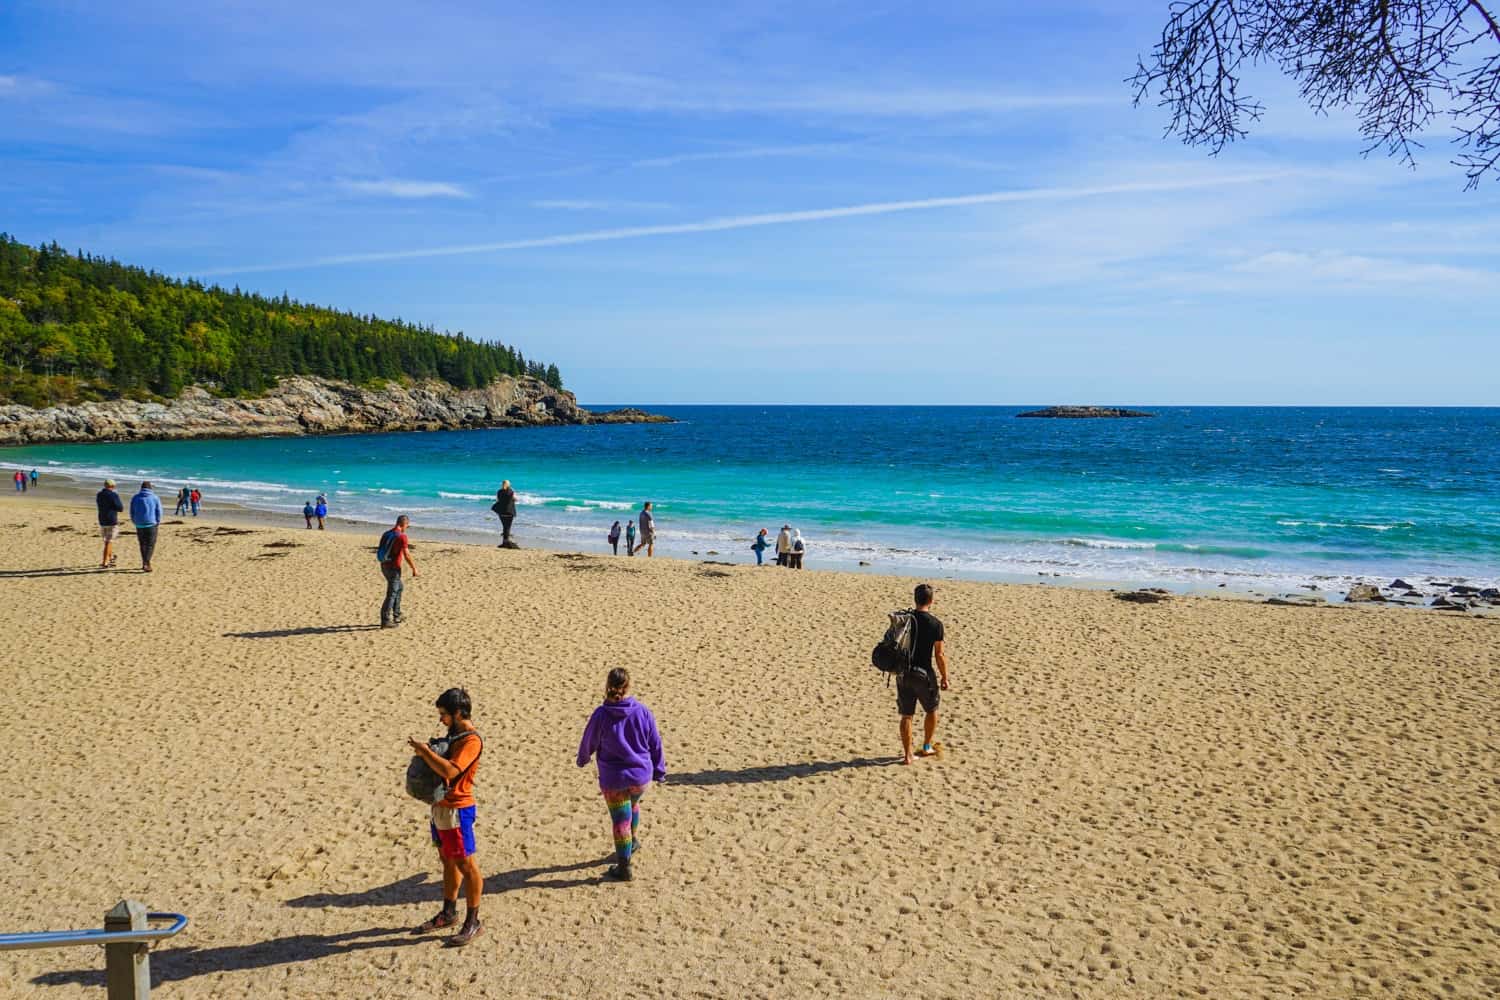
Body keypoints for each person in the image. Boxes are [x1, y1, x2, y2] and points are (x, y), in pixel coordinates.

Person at [408, 688, 484, 946]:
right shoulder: (455, 735)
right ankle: (449, 912)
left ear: (458, 713)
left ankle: (473, 921)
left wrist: (425, 753)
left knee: (466, 865)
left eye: (444, 715)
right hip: (440, 808)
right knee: (447, 861)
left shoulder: (471, 741)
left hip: (457, 811)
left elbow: (451, 771)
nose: (441, 720)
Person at [576, 668, 666, 882]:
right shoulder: (643, 711)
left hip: (614, 779)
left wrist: (583, 758)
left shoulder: (601, 714)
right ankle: (632, 841)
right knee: (632, 806)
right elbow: (655, 743)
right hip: (640, 777)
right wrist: (660, 770)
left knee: (620, 821)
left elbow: (589, 740)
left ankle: (624, 866)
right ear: (628, 686)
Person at [898, 584, 950, 766]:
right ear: (931, 601)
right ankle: (927, 745)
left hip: (903, 672)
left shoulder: (905, 620)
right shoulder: (936, 624)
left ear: (915, 599)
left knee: (906, 715)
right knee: (932, 709)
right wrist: (945, 677)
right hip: (924, 673)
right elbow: (939, 654)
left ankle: (907, 755)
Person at [378, 514, 418, 628]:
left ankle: (397, 614)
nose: (406, 528)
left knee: (399, 588)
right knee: (391, 594)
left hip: (384, 565)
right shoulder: (401, 537)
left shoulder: (386, 534)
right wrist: (414, 568)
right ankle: (385, 620)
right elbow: (407, 554)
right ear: (404, 524)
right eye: (407, 526)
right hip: (393, 568)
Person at [129, 481, 163, 573]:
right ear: (150, 488)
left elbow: (131, 510)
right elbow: (159, 511)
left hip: (139, 523)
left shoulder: (135, 497)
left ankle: (145, 562)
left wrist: (134, 520)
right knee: (150, 544)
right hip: (151, 523)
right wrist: (158, 521)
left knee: (142, 544)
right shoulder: (155, 497)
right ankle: (146, 562)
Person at [95, 478, 124, 568]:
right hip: (111, 520)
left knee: (107, 541)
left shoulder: (99, 495)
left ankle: (110, 557)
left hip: (102, 520)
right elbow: (120, 508)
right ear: (113, 486)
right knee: (109, 541)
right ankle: (105, 562)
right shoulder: (113, 495)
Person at [489, 480, 517, 547]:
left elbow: (498, 500)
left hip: (501, 512)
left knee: (505, 527)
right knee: (508, 527)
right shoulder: (511, 491)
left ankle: (505, 541)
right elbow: (515, 499)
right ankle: (506, 542)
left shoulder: (499, 491)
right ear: (509, 484)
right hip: (509, 512)